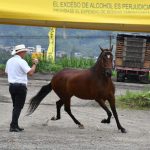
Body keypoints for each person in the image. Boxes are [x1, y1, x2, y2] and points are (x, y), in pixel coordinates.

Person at [5, 44, 39, 132]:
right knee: (18, 107)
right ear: (21, 52)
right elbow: (30, 73)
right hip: (20, 87)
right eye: (24, 52)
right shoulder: (21, 61)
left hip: (12, 86)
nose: (25, 53)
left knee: (15, 106)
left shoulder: (9, 61)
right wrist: (35, 64)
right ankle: (13, 126)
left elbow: (7, 72)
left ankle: (15, 124)